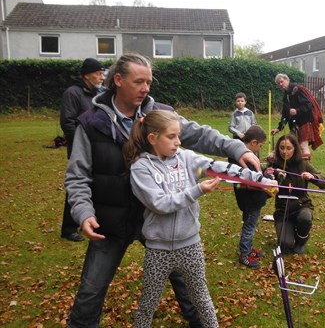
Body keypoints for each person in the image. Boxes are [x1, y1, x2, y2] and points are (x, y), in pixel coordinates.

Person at [65, 52, 261, 328]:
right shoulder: (90, 123)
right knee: (91, 289)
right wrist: (83, 212)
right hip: (109, 221)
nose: (146, 88)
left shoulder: (158, 115)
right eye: (139, 81)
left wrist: (235, 147)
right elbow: (77, 176)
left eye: (149, 82)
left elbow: (199, 134)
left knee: (187, 283)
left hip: (160, 218)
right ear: (118, 80)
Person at [124, 110, 275, 327]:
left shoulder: (186, 158)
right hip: (158, 249)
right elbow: (160, 204)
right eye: (171, 137)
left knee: (203, 300)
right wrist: (197, 191)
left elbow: (221, 168)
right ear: (152, 138)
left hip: (190, 245)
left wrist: (259, 178)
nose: (178, 142)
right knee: (148, 304)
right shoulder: (141, 167)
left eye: (179, 136)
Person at [59, 57, 105, 242]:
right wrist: (83, 139)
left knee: (96, 185)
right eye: (98, 73)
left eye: (103, 73)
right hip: (80, 148)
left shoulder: (98, 94)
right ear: (87, 75)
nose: (102, 77)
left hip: (98, 148)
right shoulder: (73, 93)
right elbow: (67, 122)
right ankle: (69, 228)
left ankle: (91, 220)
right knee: (78, 184)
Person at [266, 133, 325, 254]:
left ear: (295, 149)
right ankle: (289, 231)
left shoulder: (303, 164)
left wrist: (313, 177)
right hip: (283, 211)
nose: (284, 152)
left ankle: (301, 240)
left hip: (302, 206)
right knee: (286, 245)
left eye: (288, 148)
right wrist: (272, 174)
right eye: (281, 148)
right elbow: (263, 178)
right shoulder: (273, 165)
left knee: (305, 218)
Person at [228, 125, 273, 268]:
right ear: (253, 142)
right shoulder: (242, 158)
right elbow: (252, 178)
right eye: (260, 145)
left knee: (252, 224)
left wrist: (266, 170)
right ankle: (244, 254)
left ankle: (249, 249)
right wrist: (267, 176)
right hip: (250, 200)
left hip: (253, 199)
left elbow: (257, 171)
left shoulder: (243, 154)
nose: (260, 148)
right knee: (249, 226)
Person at [271, 73, 323, 160]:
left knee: (303, 145)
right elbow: (285, 114)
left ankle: (307, 167)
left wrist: (297, 111)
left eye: (281, 81)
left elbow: (308, 105)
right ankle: (298, 166)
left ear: (287, 80)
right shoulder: (286, 96)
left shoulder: (298, 90)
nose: (280, 84)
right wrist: (279, 128)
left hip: (304, 122)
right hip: (294, 125)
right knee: (292, 145)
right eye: (278, 83)